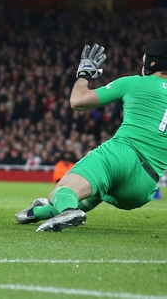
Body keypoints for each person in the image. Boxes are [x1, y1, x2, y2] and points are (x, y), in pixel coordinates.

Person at [17, 42, 165, 232]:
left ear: (152, 63)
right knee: (96, 191)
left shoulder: (135, 82)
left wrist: (83, 75)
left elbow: (78, 101)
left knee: (61, 192)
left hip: (123, 154)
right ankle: (36, 213)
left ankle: (69, 209)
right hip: (145, 186)